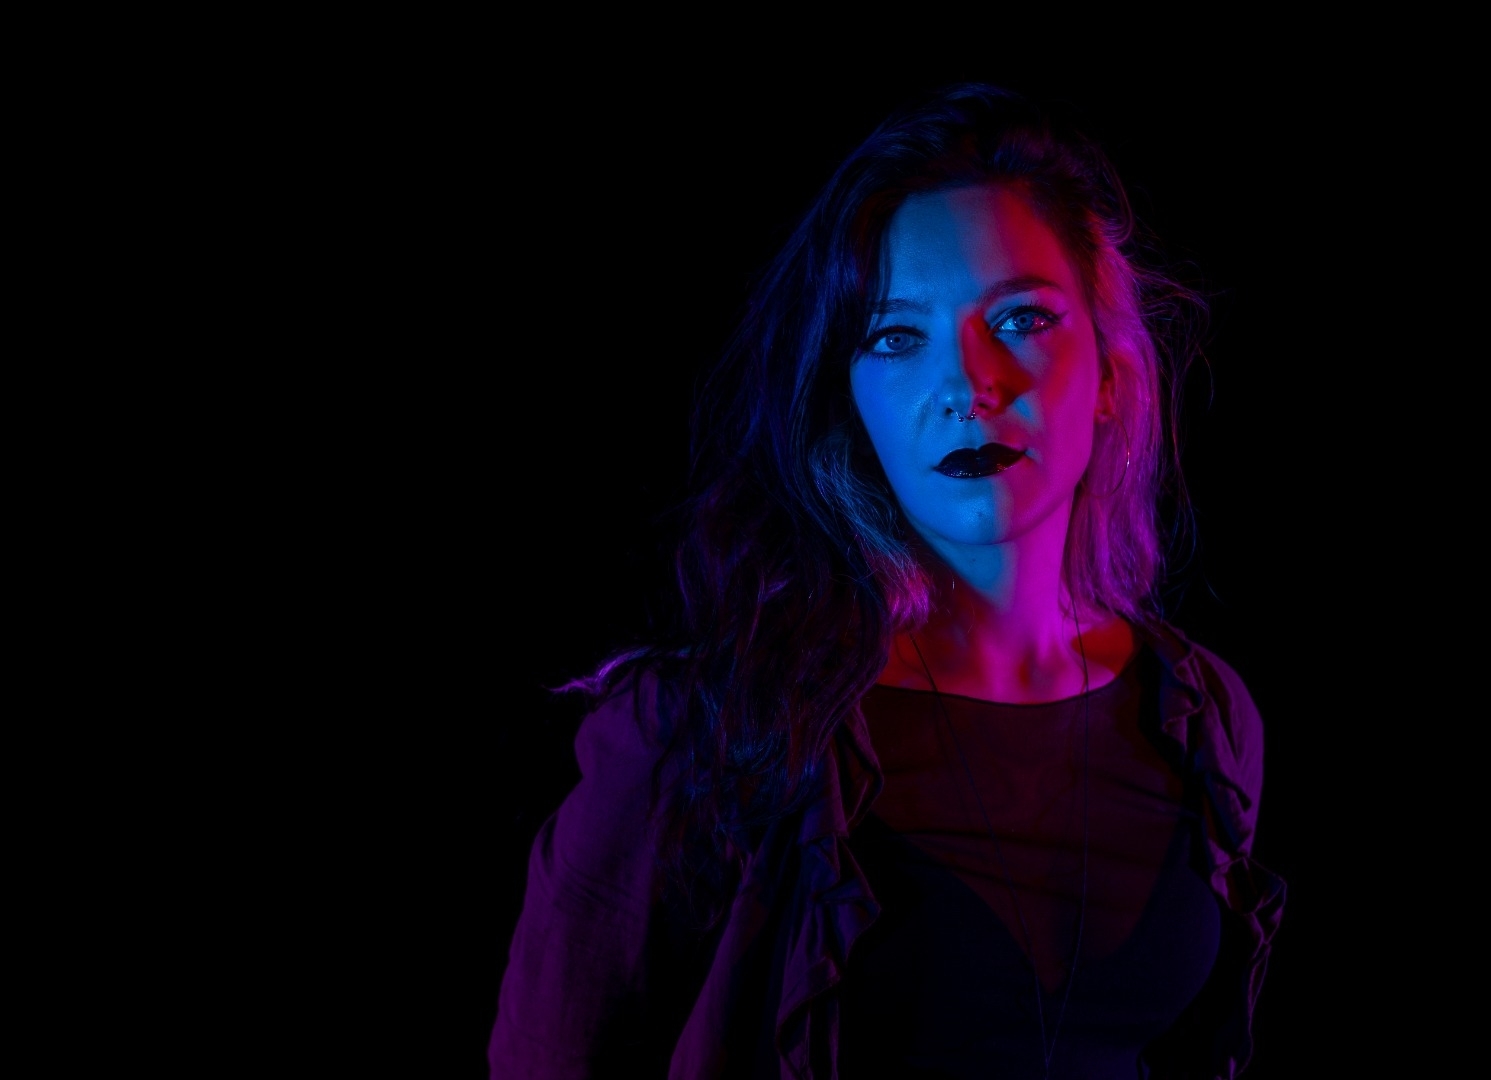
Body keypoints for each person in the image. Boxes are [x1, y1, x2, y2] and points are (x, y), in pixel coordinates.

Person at [487, 83, 1285, 1079]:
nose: (968, 385)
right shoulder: (707, 732)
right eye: (896, 336)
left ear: (1111, 373)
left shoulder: (1202, 720)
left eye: (1021, 318)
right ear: (848, 395)